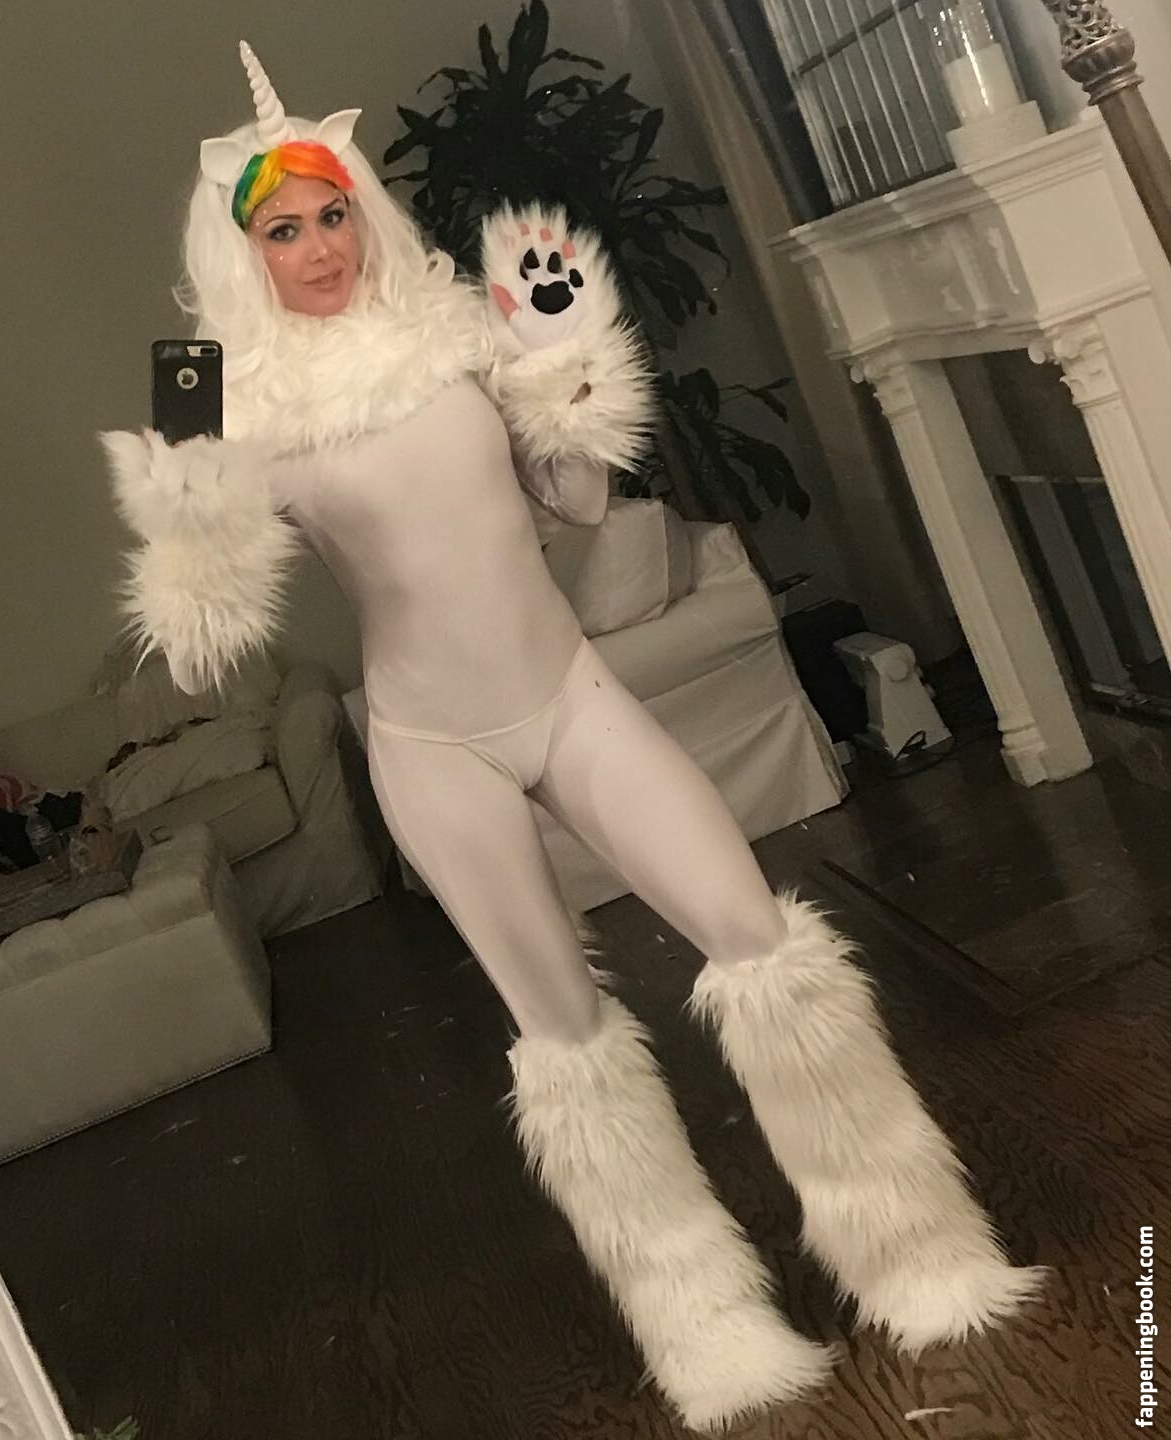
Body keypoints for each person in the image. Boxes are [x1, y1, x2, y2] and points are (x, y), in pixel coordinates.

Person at [101, 41, 1042, 1432]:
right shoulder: (230, 398)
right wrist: (183, 503)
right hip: (435, 749)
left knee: (759, 939)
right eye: (281, 230)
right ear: (241, 253)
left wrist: (565, 360)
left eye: (332, 212)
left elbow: (576, 499)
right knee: (566, 1039)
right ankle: (705, 1334)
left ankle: (919, 1257)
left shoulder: (456, 332)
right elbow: (201, 643)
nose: (318, 247)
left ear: (364, 207)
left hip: (569, 697)